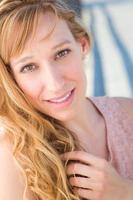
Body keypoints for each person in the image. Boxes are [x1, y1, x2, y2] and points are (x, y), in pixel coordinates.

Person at [0, 0, 133, 200]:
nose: (55, 83)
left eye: (62, 53)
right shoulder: (14, 159)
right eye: (28, 67)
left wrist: (126, 192)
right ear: (11, 78)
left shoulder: (128, 114)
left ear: (82, 45)